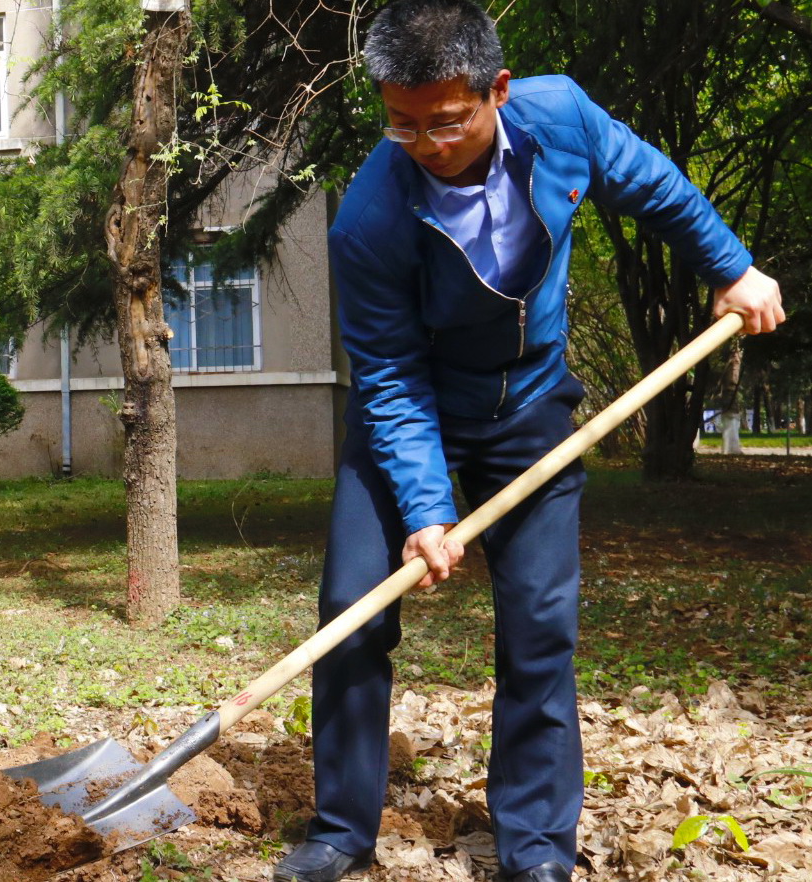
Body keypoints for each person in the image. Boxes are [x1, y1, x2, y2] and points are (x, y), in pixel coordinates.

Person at [276, 2, 785, 882]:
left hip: (530, 411)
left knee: (540, 629)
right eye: (402, 124)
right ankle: (338, 830)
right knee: (350, 614)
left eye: (446, 120)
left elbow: (656, 186)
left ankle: (537, 849)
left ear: (496, 92)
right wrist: (428, 511)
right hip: (415, 415)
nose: (427, 143)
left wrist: (732, 268)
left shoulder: (559, 117)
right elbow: (390, 378)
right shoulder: (367, 220)